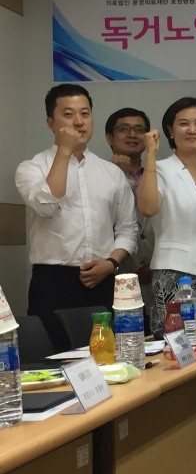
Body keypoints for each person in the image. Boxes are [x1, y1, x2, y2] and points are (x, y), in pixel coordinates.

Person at [15, 84, 137, 350]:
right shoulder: (31, 168)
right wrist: (64, 151)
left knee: (108, 358)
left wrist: (111, 263)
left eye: (85, 113)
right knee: (52, 357)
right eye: (68, 114)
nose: (79, 122)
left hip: (103, 278)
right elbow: (47, 206)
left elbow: (128, 230)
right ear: (51, 122)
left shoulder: (111, 173)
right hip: (52, 282)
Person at [136, 98, 196, 334]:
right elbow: (148, 208)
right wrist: (150, 155)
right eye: (183, 124)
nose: (192, 130)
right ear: (171, 130)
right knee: (176, 344)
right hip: (175, 275)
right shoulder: (159, 169)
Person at [105, 107, 155, 326]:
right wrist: (122, 176)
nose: (132, 134)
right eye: (124, 129)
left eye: (139, 129)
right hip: (114, 278)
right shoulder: (99, 175)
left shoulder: (159, 174)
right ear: (110, 137)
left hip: (155, 278)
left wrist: (157, 264)